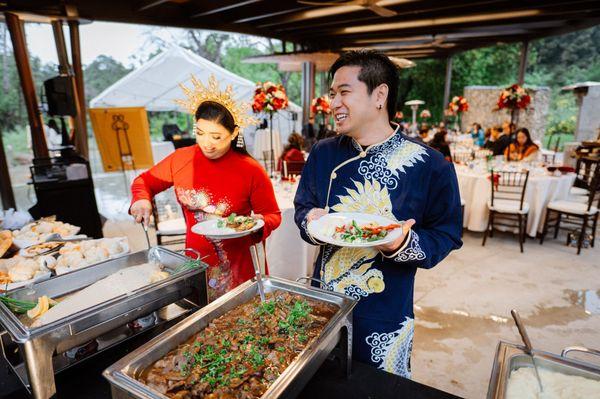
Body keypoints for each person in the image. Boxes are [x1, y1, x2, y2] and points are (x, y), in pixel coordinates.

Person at [294, 51, 462, 378]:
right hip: (323, 301)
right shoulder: (323, 152)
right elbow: (303, 208)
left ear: (379, 96)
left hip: (386, 309)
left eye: (344, 92)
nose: (333, 103)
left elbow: (447, 234)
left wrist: (404, 242)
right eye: (332, 94)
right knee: (319, 384)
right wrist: (310, 222)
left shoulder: (430, 164)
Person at [130, 75, 282, 301]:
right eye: (200, 133)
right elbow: (144, 181)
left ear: (234, 133)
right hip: (196, 260)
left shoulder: (250, 170)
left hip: (240, 267)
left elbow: (273, 215)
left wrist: (256, 225)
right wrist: (141, 198)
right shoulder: (181, 159)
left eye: (216, 136)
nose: (206, 143)